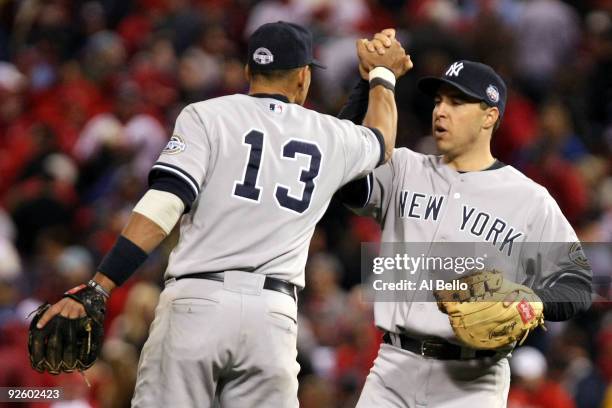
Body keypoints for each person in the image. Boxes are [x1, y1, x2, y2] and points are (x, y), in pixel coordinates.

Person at [32, 22, 413, 407]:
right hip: (273, 318)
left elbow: (165, 202)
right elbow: (381, 138)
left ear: (249, 71)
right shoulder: (329, 134)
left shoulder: (206, 115)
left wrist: (101, 285)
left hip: (198, 302)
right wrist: (380, 75)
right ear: (303, 77)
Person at [336, 32, 593, 407]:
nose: (441, 110)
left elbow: (580, 285)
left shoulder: (528, 198)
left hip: (473, 382)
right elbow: (344, 173)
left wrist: (529, 302)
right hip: (394, 368)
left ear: (490, 116)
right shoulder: (405, 166)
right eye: (439, 100)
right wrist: (367, 80)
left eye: (457, 102)